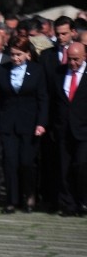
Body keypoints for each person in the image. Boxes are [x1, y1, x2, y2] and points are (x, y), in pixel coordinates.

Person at [0, 37, 49, 214]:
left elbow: (43, 98)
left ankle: (29, 194)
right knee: (9, 162)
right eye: (13, 55)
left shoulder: (37, 71)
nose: (15, 58)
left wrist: (41, 122)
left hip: (29, 123)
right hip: (8, 123)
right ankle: (11, 200)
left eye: (19, 54)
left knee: (26, 162)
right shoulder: (2, 70)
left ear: (27, 54)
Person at [52, 42, 86, 216]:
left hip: (83, 130)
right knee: (64, 168)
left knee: (81, 165)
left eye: (76, 60)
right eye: (70, 59)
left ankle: (83, 201)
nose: (73, 63)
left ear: (84, 57)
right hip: (63, 129)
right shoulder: (59, 73)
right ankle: (68, 204)